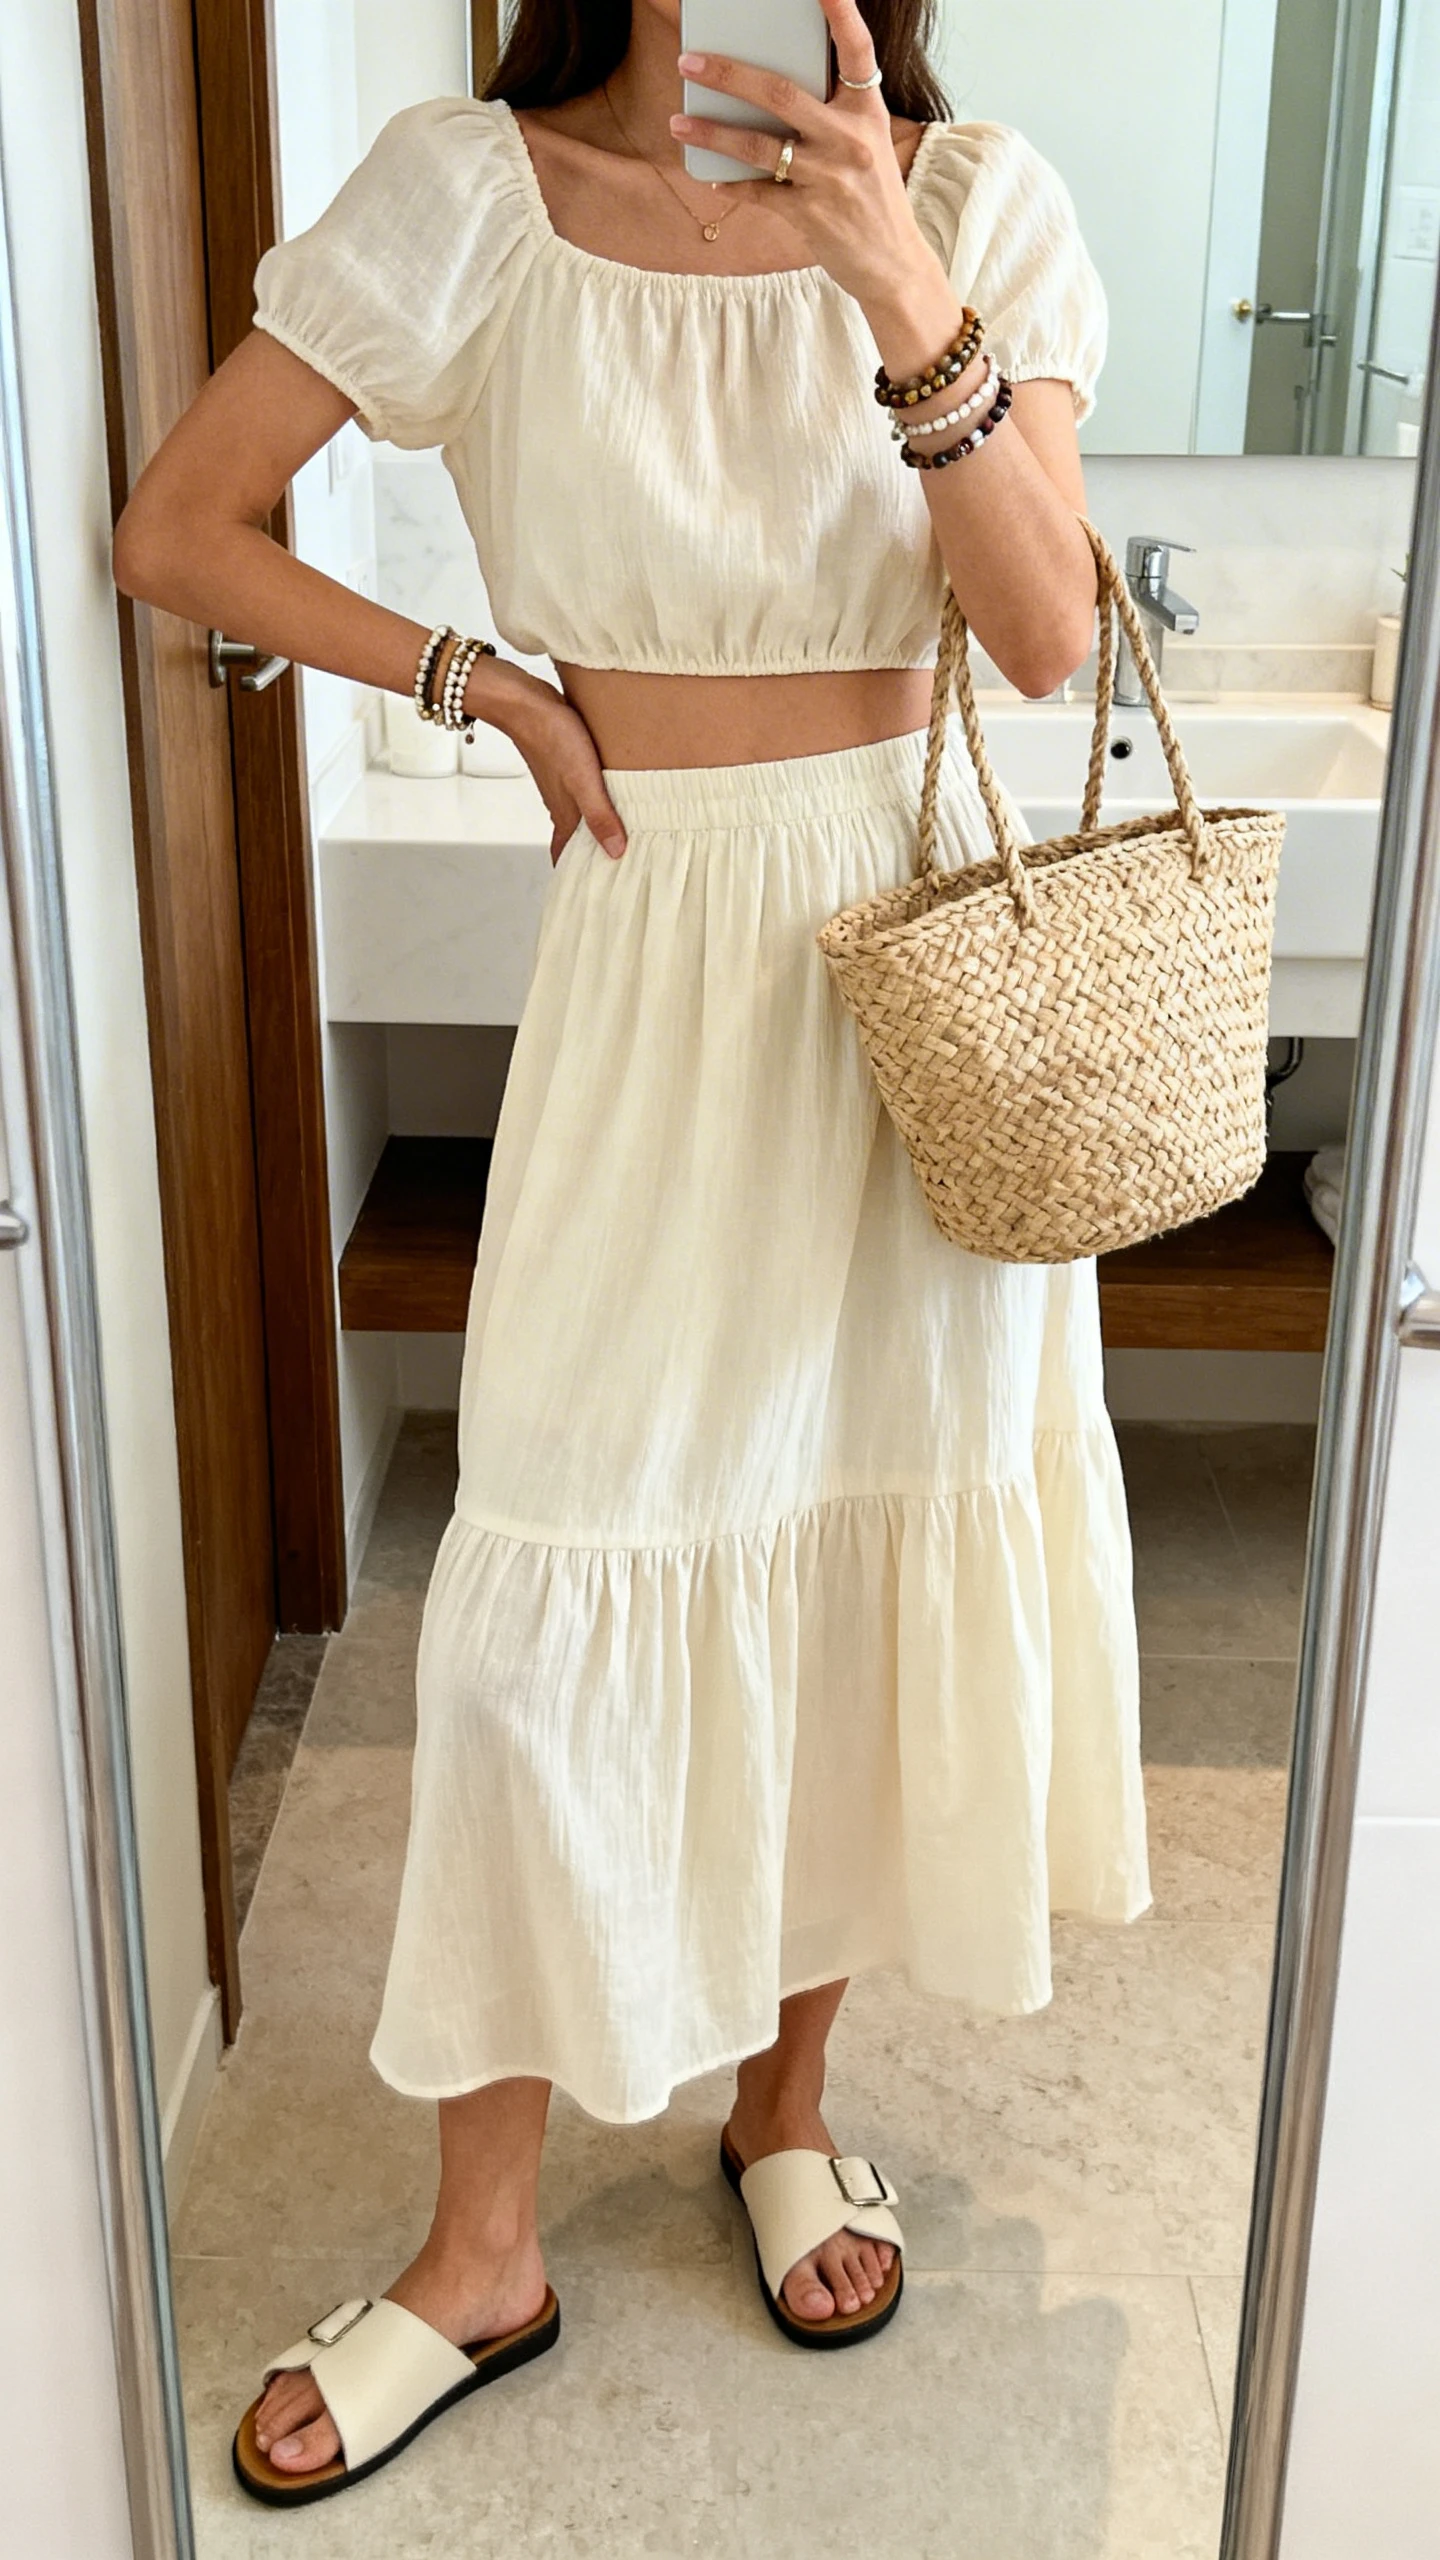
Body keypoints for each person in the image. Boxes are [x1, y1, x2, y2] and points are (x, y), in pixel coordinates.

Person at [114, 0, 1150, 2507]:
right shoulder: (463, 194)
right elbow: (184, 530)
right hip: (651, 975)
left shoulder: (980, 194)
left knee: (847, 1557)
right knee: (533, 1606)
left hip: (908, 988)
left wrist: (886, 259)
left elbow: (1040, 632)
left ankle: (784, 2105)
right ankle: (482, 2242)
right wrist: (475, 680)